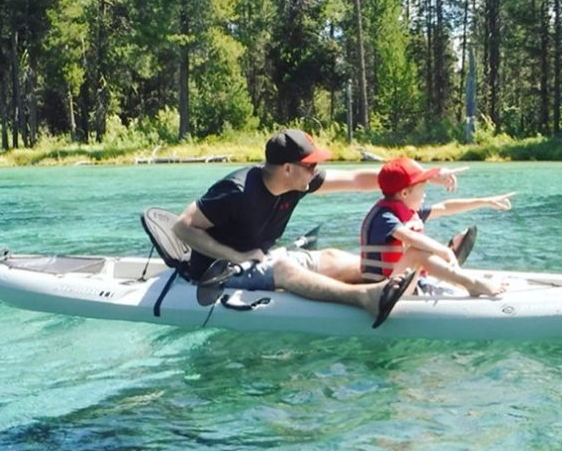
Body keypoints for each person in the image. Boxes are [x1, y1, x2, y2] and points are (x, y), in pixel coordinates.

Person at [172, 129, 460, 327]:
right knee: (284, 269)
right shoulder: (236, 190)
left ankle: (407, 278)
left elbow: (358, 181)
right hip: (219, 271)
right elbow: (182, 227)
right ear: (287, 168)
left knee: (335, 257)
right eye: (310, 166)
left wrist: (422, 178)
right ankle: (367, 298)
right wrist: (237, 256)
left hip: (260, 257)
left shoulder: (299, 182)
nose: (315, 171)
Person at [361, 156, 513, 298]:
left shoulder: (409, 212)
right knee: (416, 252)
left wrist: (485, 201)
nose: (425, 195)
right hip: (382, 292)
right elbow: (410, 238)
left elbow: (445, 207)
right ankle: (470, 284)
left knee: (424, 251)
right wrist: (444, 251)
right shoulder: (383, 217)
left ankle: (451, 277)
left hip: (407, 283)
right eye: (422, 189)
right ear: (405, 193)